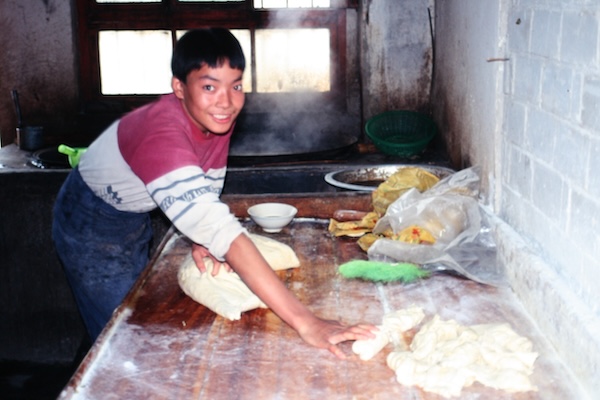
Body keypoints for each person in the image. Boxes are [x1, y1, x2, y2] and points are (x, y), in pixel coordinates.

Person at [52, 28, 376, 358]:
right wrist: (307, 322)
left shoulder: (215, 115)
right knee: (123, 338)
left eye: (236, 85)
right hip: (89, 220)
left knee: (130, 307)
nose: (227, 101)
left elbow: (205, 184)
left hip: (132, 213)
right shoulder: (162, 136)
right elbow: (223, 231)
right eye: (209, 86)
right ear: (179, 87)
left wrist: (199, 237)